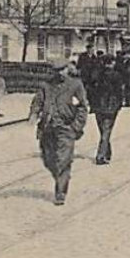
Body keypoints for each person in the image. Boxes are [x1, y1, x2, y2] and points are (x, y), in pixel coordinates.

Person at [28, 59, 89, 206]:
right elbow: (38, 101)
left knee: (63, 159)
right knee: (48, 159)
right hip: (48, 127)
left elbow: (82, 107)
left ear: (67, 69)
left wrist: (76, 126)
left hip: (66, 128)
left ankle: (60, 192)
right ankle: (61, 177)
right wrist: (34, 114)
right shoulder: (46, 85)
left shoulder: (75, 85)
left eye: (62, 70)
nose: (59, 73)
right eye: (56, 71)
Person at [88, 52, 124, 166]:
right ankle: (101, 155)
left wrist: (92, 102)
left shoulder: (96, 74)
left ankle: (107, 153)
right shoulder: (116, 75)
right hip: (111, 105)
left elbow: (90, 89)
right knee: (106, 130)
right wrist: (119, 103)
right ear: (112, 63)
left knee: (102, 130)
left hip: (98, 105)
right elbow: (119, 91)